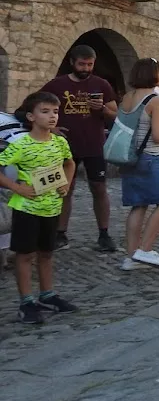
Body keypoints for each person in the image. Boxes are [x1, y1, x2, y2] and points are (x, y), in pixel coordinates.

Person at [0, 91, 77, 324]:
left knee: (46, 253)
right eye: (45, 112)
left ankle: (48, 294)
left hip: (52, 208)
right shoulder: (21, 144)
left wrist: (66, 181)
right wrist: (17, 188)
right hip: (27, 208)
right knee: (24, 256)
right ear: (31, 117)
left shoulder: (60, 142)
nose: (52, 116)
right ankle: (26, 301)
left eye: (55, 112)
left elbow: (69, 162)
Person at [39, 44, 118, 252]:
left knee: (99, 188)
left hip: (94, 145)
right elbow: (34, 109)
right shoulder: (56, 85)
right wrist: (52, 128)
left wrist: (101, 109)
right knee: (65, 189)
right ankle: (60, 233)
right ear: (72, 62)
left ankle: (104, 233)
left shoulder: (101, 84)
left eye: (90, 64)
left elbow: (114, 114)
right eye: (82, 64)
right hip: (64, 147)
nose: (85, 68)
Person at [118, 58, 159, 272]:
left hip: (130, 157)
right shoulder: (156, 100)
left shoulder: (126, 98)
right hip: (151, 156)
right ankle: (145, 248)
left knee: (138, 204)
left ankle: (131, 256)